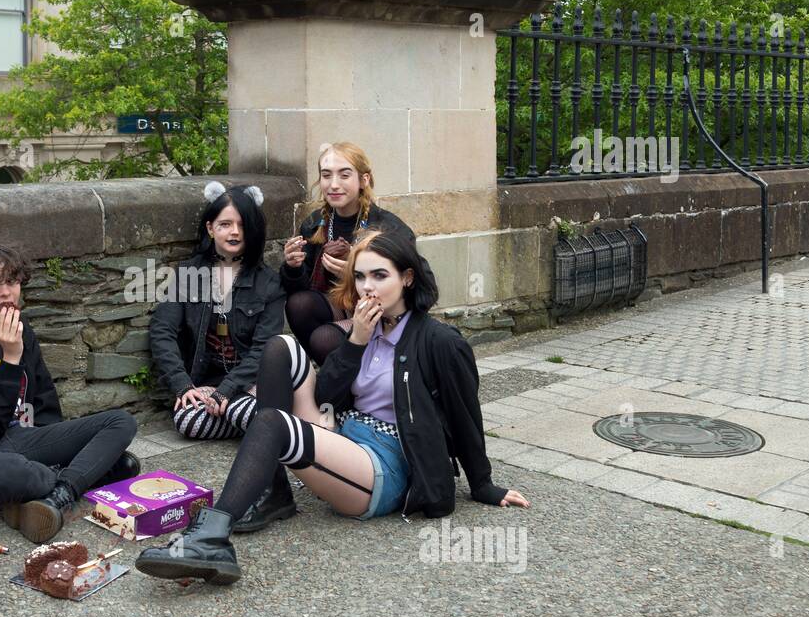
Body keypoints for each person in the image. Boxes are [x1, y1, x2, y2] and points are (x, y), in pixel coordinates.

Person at [136, 229, 529, 585]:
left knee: (273, 423)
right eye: (360, 277)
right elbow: (327, 393)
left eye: (379, 275)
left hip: (386, 465)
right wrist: (357, 340)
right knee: (282, 347)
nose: (366, 288)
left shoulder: (440, 342)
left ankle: (211, 535)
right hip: (345, 436)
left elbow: (465, 413)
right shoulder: (365, 329)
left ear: (407, 278)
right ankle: (275, 494)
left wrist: (483, 485)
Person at [0, 239, 139, 544]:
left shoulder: (23, 330)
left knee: (122, 422)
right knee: (23, 474)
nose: (5, 292)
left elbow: (44, 404)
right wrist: (10, 358)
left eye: (12, 281)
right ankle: (80, 476)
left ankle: (58, 495)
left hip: (20, 437)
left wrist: (55, 443)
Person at [148, 181, 292, 532]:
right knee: (187, 420)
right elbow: (162, 331)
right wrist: (184, 386)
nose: (234, 232)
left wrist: (228, 391)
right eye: (226, 224)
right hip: (209, 387)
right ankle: (257, 426)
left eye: (242, 224)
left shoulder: (268, 283)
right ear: (210, 227)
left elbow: (264, 348)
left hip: (249, 385)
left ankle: (263, 446)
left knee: (255, 408)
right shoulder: (188, 274)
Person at [282, 142, 416, 365]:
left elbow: (418, 285)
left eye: (344, 175)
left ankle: (361, 372)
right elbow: (300, 287)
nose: (334, 185)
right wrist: (292, 268)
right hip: (341, 308)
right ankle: (338, 374)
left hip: (383, 313)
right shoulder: (316, 223)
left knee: (323, 339)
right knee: (299, 304)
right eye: (326, 176)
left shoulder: (388, 228)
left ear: (363, 180)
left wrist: (359, 273)